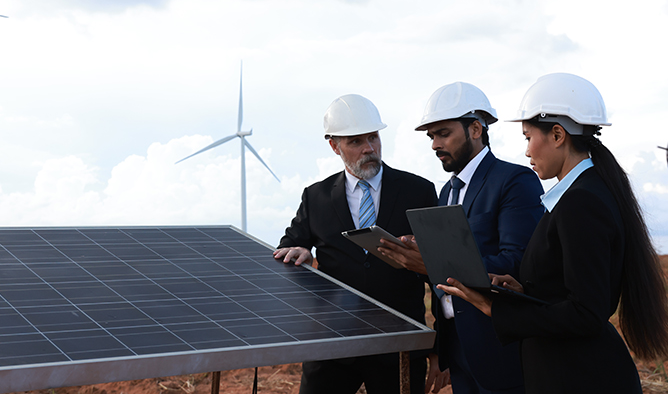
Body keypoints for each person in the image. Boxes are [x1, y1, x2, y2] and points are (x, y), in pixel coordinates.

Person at [437, 73, 668, 394]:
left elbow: (585, 313)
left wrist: (497, 309)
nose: (528, 151)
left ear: (558, 135)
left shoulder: (581, 202)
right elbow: (571, 290)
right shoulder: (585, 194)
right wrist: (522, 289)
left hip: (579, 376)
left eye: (528, 137)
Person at [379, 82, 544, 394]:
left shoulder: (514, 181)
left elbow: (517, 262)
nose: (434, 144)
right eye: (431, 136)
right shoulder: (446, 192)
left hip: (499, 348)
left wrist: (432, 262)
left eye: (443, 133)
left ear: (476, 129)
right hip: (458, 348)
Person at [275, 94, 437, 394]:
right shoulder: (316, 197)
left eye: (373, 137)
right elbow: (291, 246)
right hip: (332, 348)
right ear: (334, 146)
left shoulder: (420, 192)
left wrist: (441, 345)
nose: (369, 148)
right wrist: (299, 252)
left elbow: (440, 271)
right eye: (355, 141)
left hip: (399, 347)